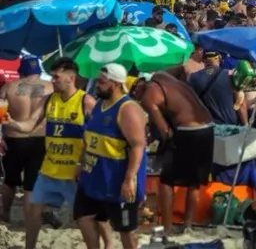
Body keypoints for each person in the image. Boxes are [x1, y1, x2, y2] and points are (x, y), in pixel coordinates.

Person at [3, 58, 97, 249]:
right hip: (50, 168)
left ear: (71, 78)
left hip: (73, 172)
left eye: (56, 77)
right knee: (32, 210)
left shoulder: (86, 101)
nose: (52, 80)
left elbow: (98, 136)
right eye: (52, 76)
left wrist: (84, 163)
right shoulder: (48, 99)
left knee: (84, 219)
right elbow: (29, 124)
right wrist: (11, 123)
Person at [75, 63, 148, 249]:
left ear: (115, 84)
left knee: (126, 230)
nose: (97, 85)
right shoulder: (100, 104)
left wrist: (129, 179)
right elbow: (89, 138)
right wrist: (80, 163)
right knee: (83, 217)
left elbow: (138, 146)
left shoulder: (127, 108)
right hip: (94, 176)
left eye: (101, 82)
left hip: (117, 180)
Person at [140, 70, 215, 235]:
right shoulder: (163, 78)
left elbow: (166, 132)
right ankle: (188, 225)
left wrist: (154, 143)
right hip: (208, 126)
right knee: (193, 181)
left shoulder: (147, 97)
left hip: (188, 130)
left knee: (167, 180)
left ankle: (167, 227)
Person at [0, 55, 52, 223]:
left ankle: (5, 213)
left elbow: (1, 116)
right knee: (32, 183)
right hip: (40, 139)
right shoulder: (50, 87)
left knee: (9, 180)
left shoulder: (8, 87)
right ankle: (30, 218)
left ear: (21, 71)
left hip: (13, 139)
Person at [187, 50, 246, 125]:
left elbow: (189, 103)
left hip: (206, 125)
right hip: (229, 126)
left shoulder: (193, 77)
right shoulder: (230, 75)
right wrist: (246, 124)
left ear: (204, 60)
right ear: (220, 59)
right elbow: (241, 103)